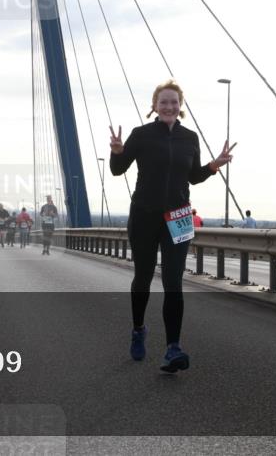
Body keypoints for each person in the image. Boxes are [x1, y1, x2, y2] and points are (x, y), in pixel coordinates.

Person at [109, 79, 235, 373]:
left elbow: (193, 176)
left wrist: (215, 165)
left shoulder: (190, 138)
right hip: (144, 215)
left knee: (173, 283)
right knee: (142, 278)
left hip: (178, 217)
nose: (168, 106)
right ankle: (138, 329)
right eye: (163, 102)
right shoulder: (141, 135)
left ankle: (173, 348)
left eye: (174, 102)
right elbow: (118, 171)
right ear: (154, 106)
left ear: (181, 108)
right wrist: (117, 151)